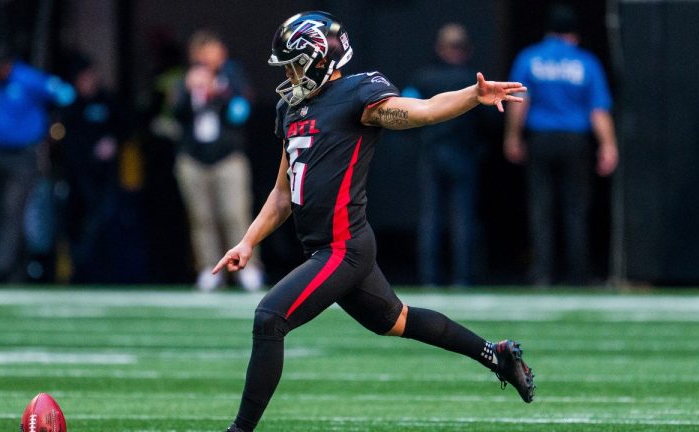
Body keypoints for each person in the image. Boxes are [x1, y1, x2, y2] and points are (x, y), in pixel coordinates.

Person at [211, 12, 535, 432]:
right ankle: (497, 354)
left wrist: (472, 96)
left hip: (343, 247)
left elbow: (422, 110)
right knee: (396, 320)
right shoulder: (290, 109)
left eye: (295, 64)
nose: (290, 74)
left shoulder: (356, 94)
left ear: (320, 58)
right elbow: (281, 194)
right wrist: (247, 242)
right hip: (327, 248)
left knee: (269, 318)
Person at [503, 4, 618, 285]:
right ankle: (578, 273)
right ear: (573, 34)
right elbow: (598, 109)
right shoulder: (585, 62)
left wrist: (513, 137)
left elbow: (520, 103)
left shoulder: (530, 58)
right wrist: (608, 145)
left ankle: (542, 273)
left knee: (540, 207)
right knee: (576, 208)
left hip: (541, 139)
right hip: (574, 140)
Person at [173, 30, 264, 291]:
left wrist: (217, 92)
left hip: (227, 158)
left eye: (210, 50)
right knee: (201, 217)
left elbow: (241, 113)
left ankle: (248, 268)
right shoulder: (185, 80)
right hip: (193, 158)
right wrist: (188, 93)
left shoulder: (232, 77)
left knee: (234, 213)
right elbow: (175, 114)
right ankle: (209, 268)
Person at [0, 42, 75, 282]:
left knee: (16, 207)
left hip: (25, 155)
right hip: (1, 155)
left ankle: (1, 266)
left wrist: (51, 124)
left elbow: (65, 93)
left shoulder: (27, 78)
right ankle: (15, 268)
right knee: (8, 210)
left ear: (7, 64)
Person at [405, 23, 484, 287]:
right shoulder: (475, 80)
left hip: (431, 152)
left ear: (440, 48)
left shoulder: (423, 78)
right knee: (463, 217)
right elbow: (489, 119)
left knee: (431, 217)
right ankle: (463, 278)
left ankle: (429, 278)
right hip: (463, 153)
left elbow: (404, 110)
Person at [58, 55, 121, 283]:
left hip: (103, 177)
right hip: (77, 176)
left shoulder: (106, 101)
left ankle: (103, 271)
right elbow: (66, 141)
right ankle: (78, 271)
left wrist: (113, 141)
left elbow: (124, 127)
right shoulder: (71, 104)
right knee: (75, 223)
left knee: (103, 221)